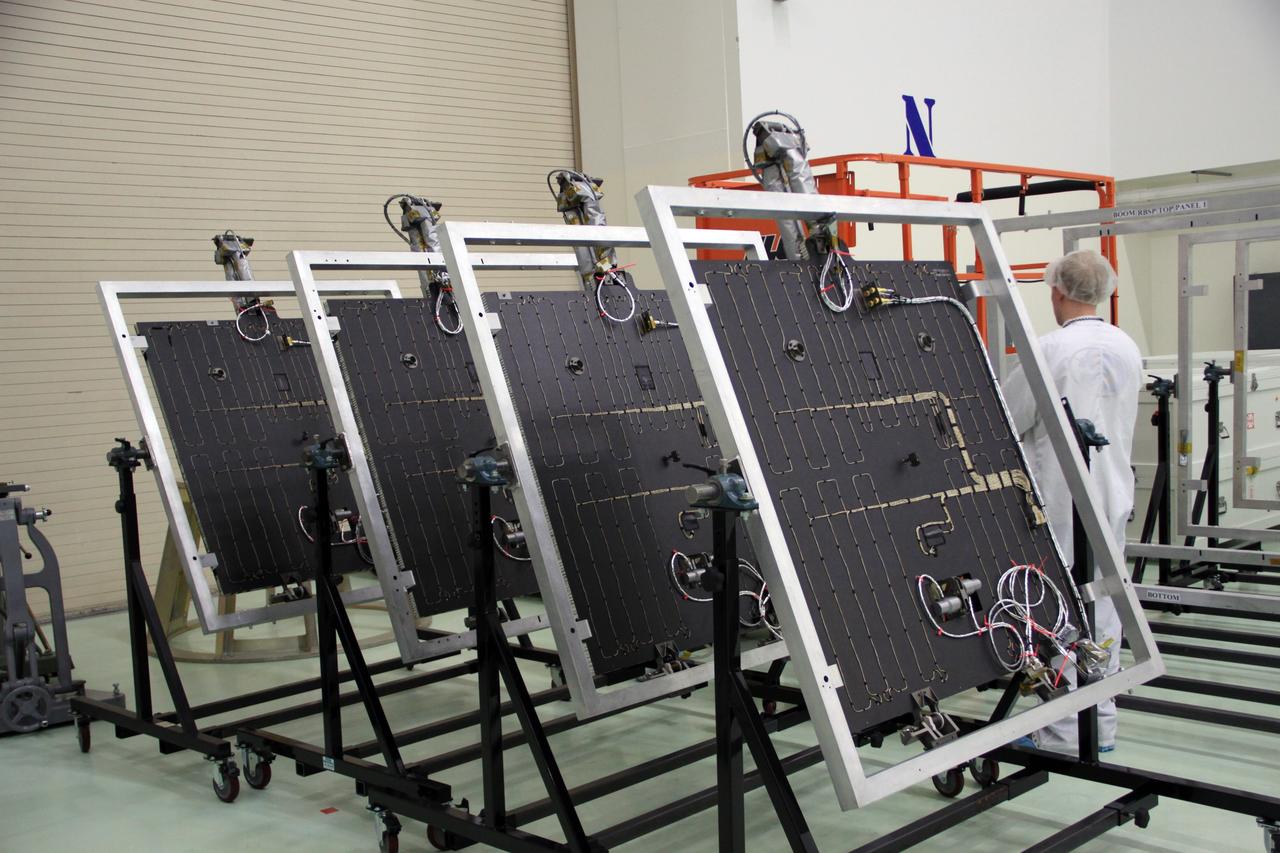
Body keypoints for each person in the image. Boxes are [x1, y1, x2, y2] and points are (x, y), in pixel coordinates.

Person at [1000, 249, 1141, 753]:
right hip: (1112, 492)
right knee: (1104, 603)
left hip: (1060, 495)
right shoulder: (1126, 346)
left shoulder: (1050, 349)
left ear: (1057, 291)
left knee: (1056, 604)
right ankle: (1101, 721)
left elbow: (1010, 418)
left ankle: (1062, 732)